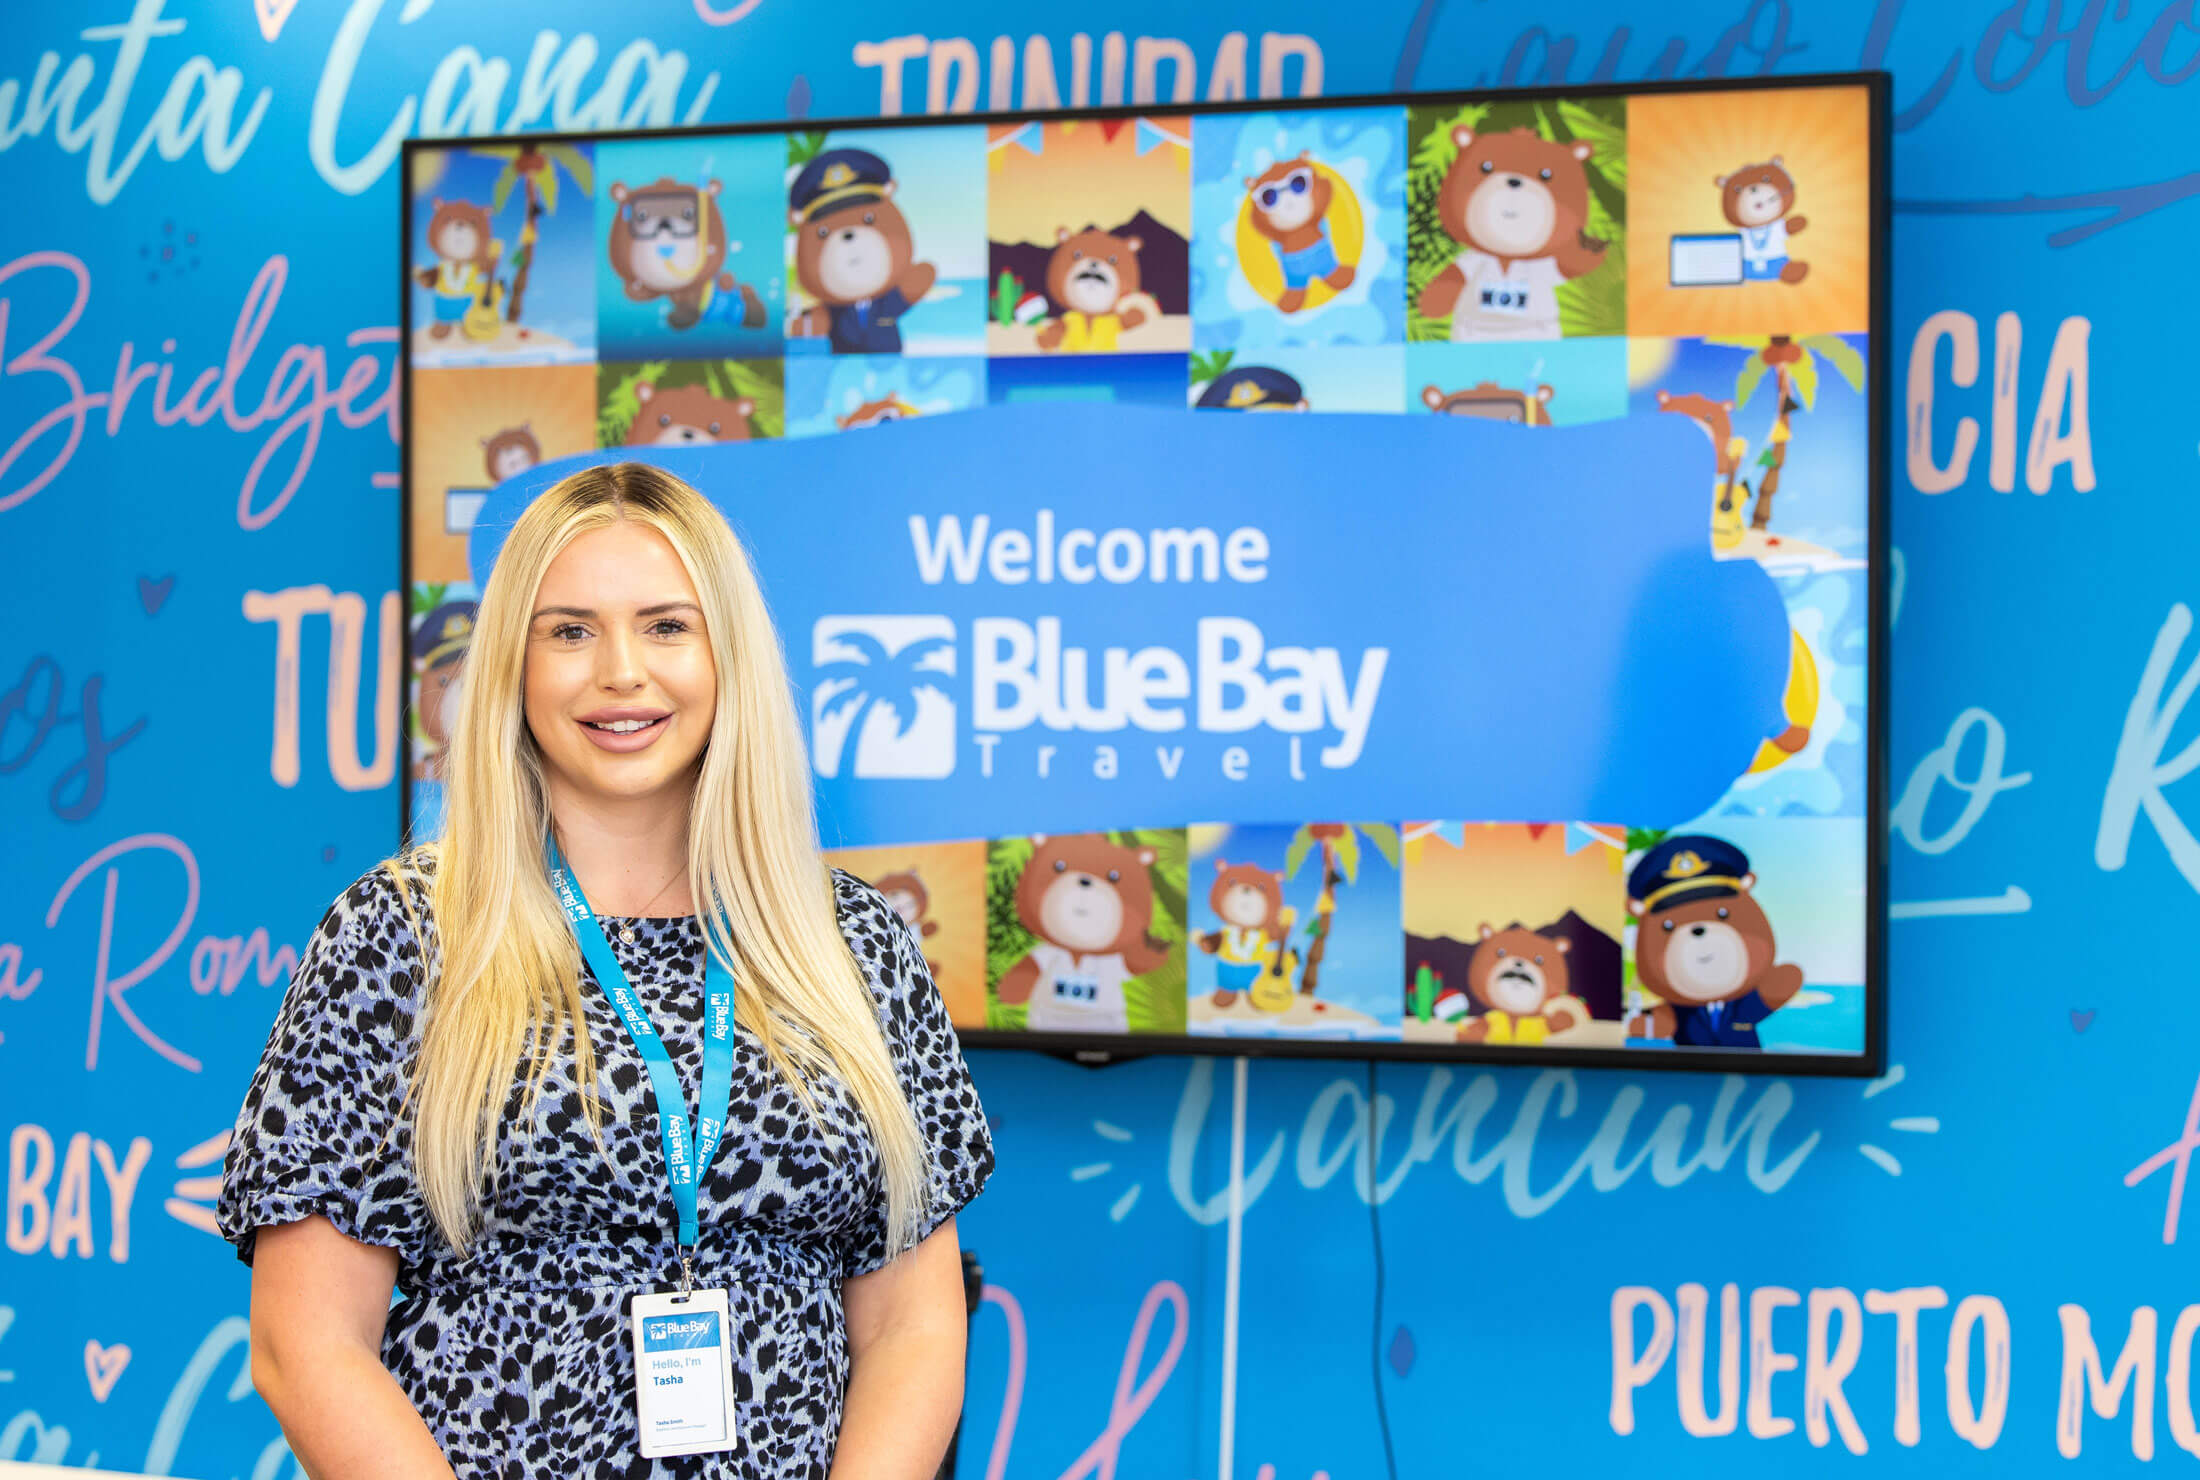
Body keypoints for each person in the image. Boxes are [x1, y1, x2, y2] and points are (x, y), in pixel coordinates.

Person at [218, 462, 994, 1476]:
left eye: (667, 626)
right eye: (570, 630)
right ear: (513, 665)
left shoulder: (850, 943)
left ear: (729, 657)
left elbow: (913, 1327)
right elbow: (304, 1344)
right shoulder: (399, 937)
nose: (621, 671)